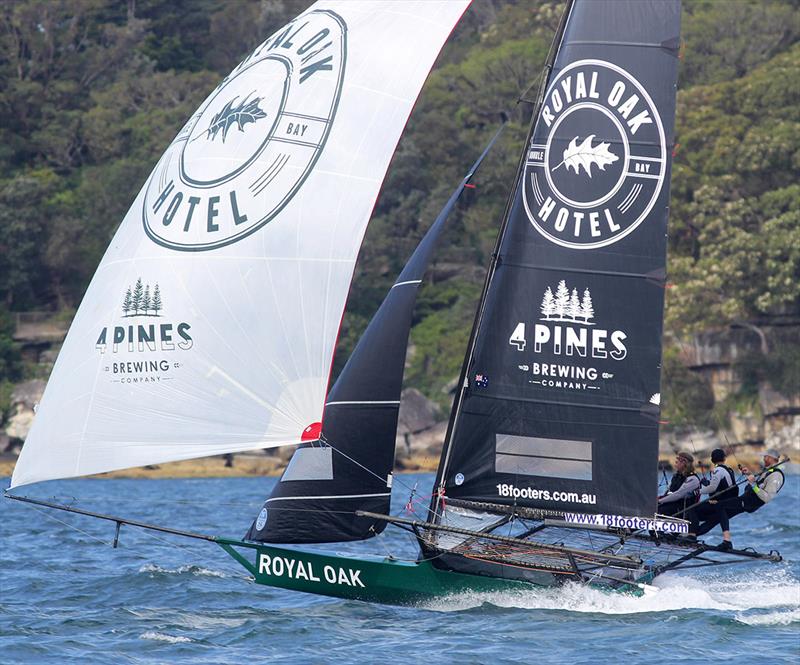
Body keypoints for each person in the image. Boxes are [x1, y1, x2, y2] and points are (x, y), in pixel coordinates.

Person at [697, 449, 785, 550]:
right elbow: (759, 483)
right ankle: (693, 534)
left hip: (749, 503)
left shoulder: (776, 475)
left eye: (765, 456)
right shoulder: (768, 471)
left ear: (771, 458)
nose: (763, 458)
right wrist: (749, 474)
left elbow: (766, 497)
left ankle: (727, 541)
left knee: (719, 505)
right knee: (717, 516)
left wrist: (752, 484)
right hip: (745, 499)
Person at [693, 448, 738, 537]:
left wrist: (697, 492)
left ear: (712, 460)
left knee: (693, 511)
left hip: (720, 503)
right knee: (711, 521)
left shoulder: (718, 470)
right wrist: (707, 483)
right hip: (728, 503)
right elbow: (720, 485)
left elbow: (712, 488)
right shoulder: (728, 470)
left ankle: (691, 535)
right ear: (724, 459)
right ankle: (693, 535)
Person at [658, 451, 701, 534]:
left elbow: (678, 495)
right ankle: (629, 529)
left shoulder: (693, 479)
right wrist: (659, 498)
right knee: (652, 507)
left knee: (659, 510)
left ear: (684, 463)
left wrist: (659, 500)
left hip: (684, 510)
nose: (675, 462)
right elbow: (670, 493)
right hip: (673, 505)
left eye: (677, 461)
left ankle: (660, 532)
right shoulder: (676, 476)